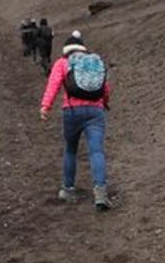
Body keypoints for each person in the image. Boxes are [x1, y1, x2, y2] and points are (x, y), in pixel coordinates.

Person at [39, 30, 111, 210]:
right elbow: (105, 87)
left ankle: (68, 189)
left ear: (67, 50)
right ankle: (100, 193)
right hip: (96, 111)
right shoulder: (94, 62)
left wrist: (45, 106)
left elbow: (53, 85)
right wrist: (104, 103)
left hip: (71, 111)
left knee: (71, 150)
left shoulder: (63, 63)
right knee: (96, 151)